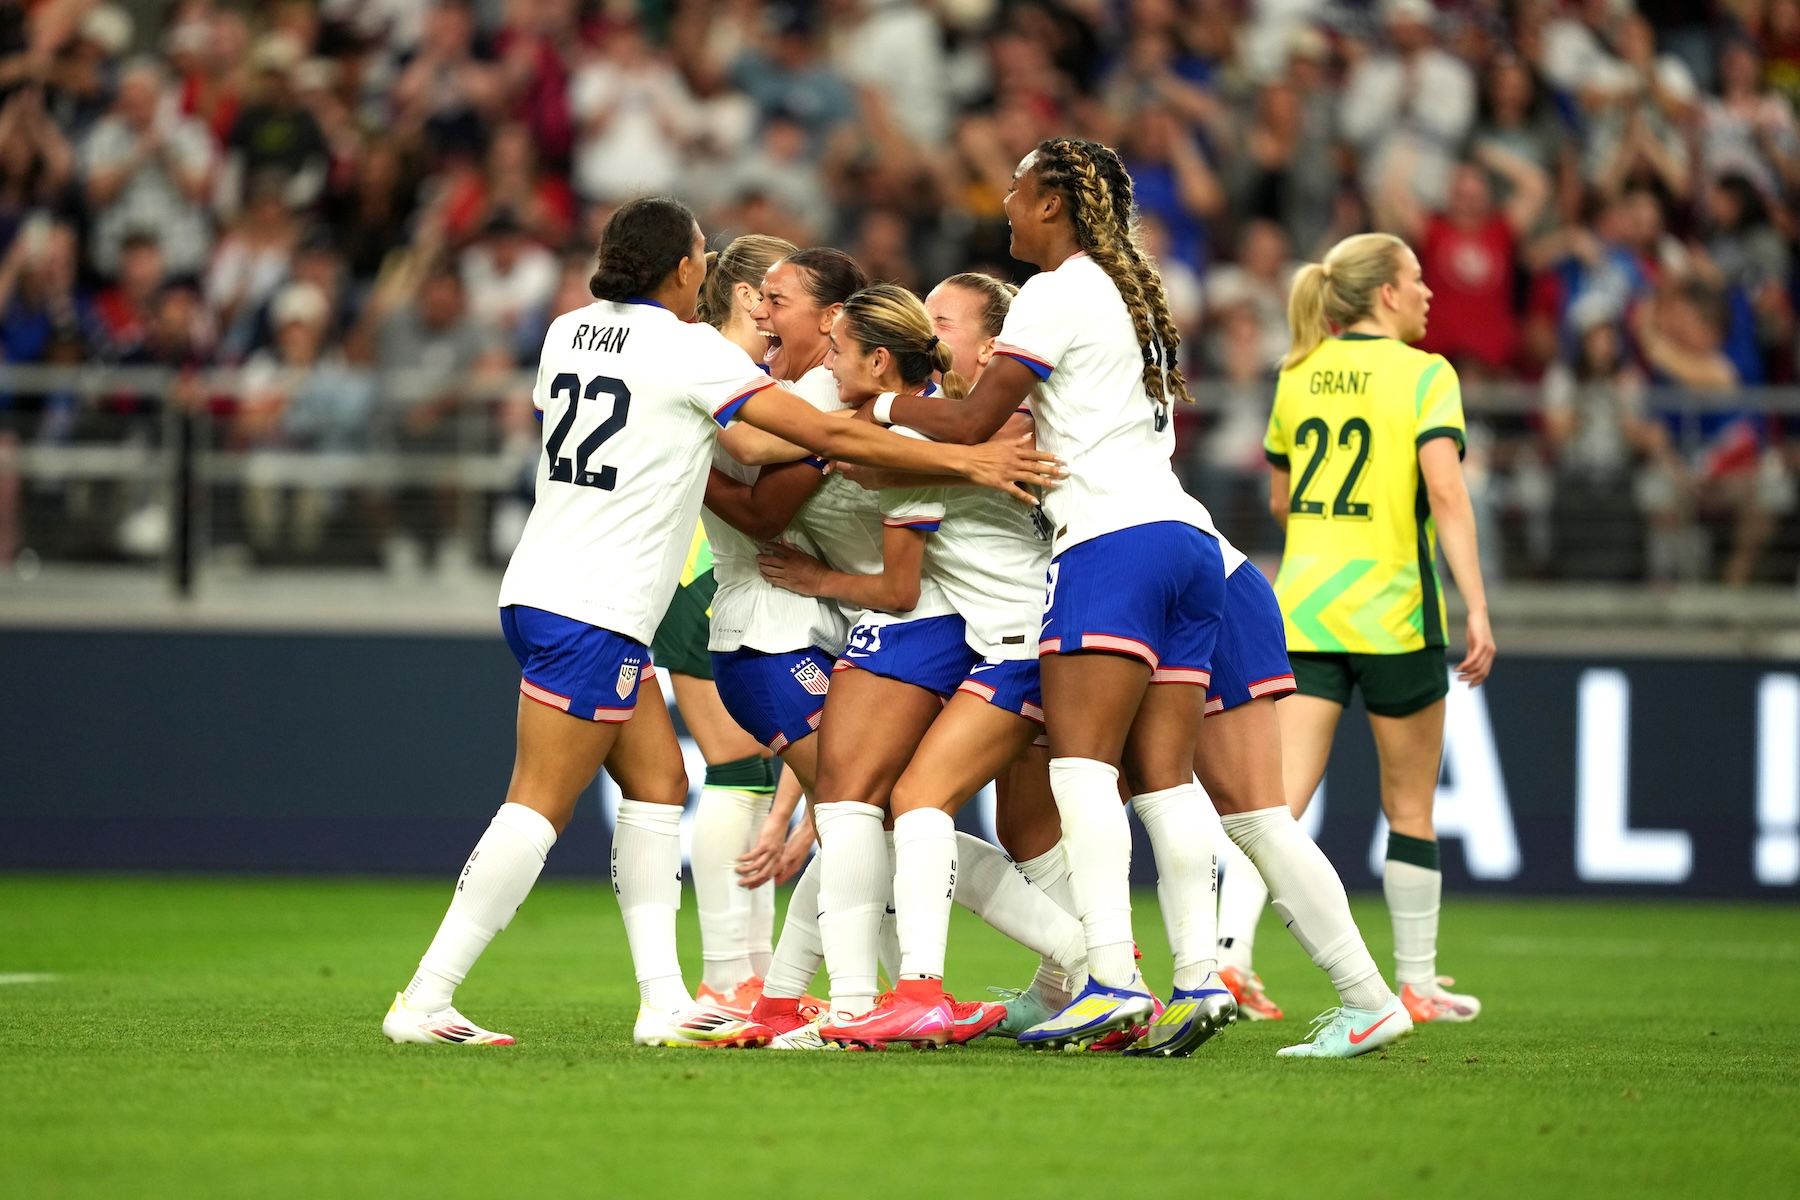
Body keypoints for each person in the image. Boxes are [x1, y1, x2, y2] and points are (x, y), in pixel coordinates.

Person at [379, 196, 1059, 1050]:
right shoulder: (689, 352)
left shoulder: (564, 331)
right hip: (597, 603)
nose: (709, 268)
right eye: (702, 254)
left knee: (660, 787)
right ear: (682, 270)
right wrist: (963, 455)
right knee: (537, 807)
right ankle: (427, 997)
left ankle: (665, 1001)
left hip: (553, 583)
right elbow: (797, 436)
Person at [870, 137, 1236, 1055]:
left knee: (1079, 770)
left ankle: (1110, 976)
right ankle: (1198, 980)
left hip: (1110, 545)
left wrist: (869, 407)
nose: (1005, 200)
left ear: (1057, 205)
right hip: (1187, 541)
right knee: (1165, 780)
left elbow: (967, 421)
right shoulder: (1133, 297)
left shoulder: (1056, 290)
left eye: (1021, 188)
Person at [753, 283, 1088, 1049]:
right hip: (1002, 637)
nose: (829, 361)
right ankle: (1078, 969)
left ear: (878, 358)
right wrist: (943, 450)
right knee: (899, 813)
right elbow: (877, 458)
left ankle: (892, 997)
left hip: (993, 639)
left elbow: (895, 561)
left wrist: (819, 578)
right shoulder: (941, 428)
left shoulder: (936, 432)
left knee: (882, 808)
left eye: (840, 349)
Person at [1222, 231, 1496, 1030]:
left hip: (1304, 611)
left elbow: (1279, 502)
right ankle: (1414, 983)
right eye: (1416, 279)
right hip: (1395, 613)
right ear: (1385, 293)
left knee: (1270, 806)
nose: (1427, 292)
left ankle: (1231, 959)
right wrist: (1477, 605)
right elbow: (1446, 494)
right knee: (1409, 805)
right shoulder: (1425, 374)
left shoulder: (1298, 372)